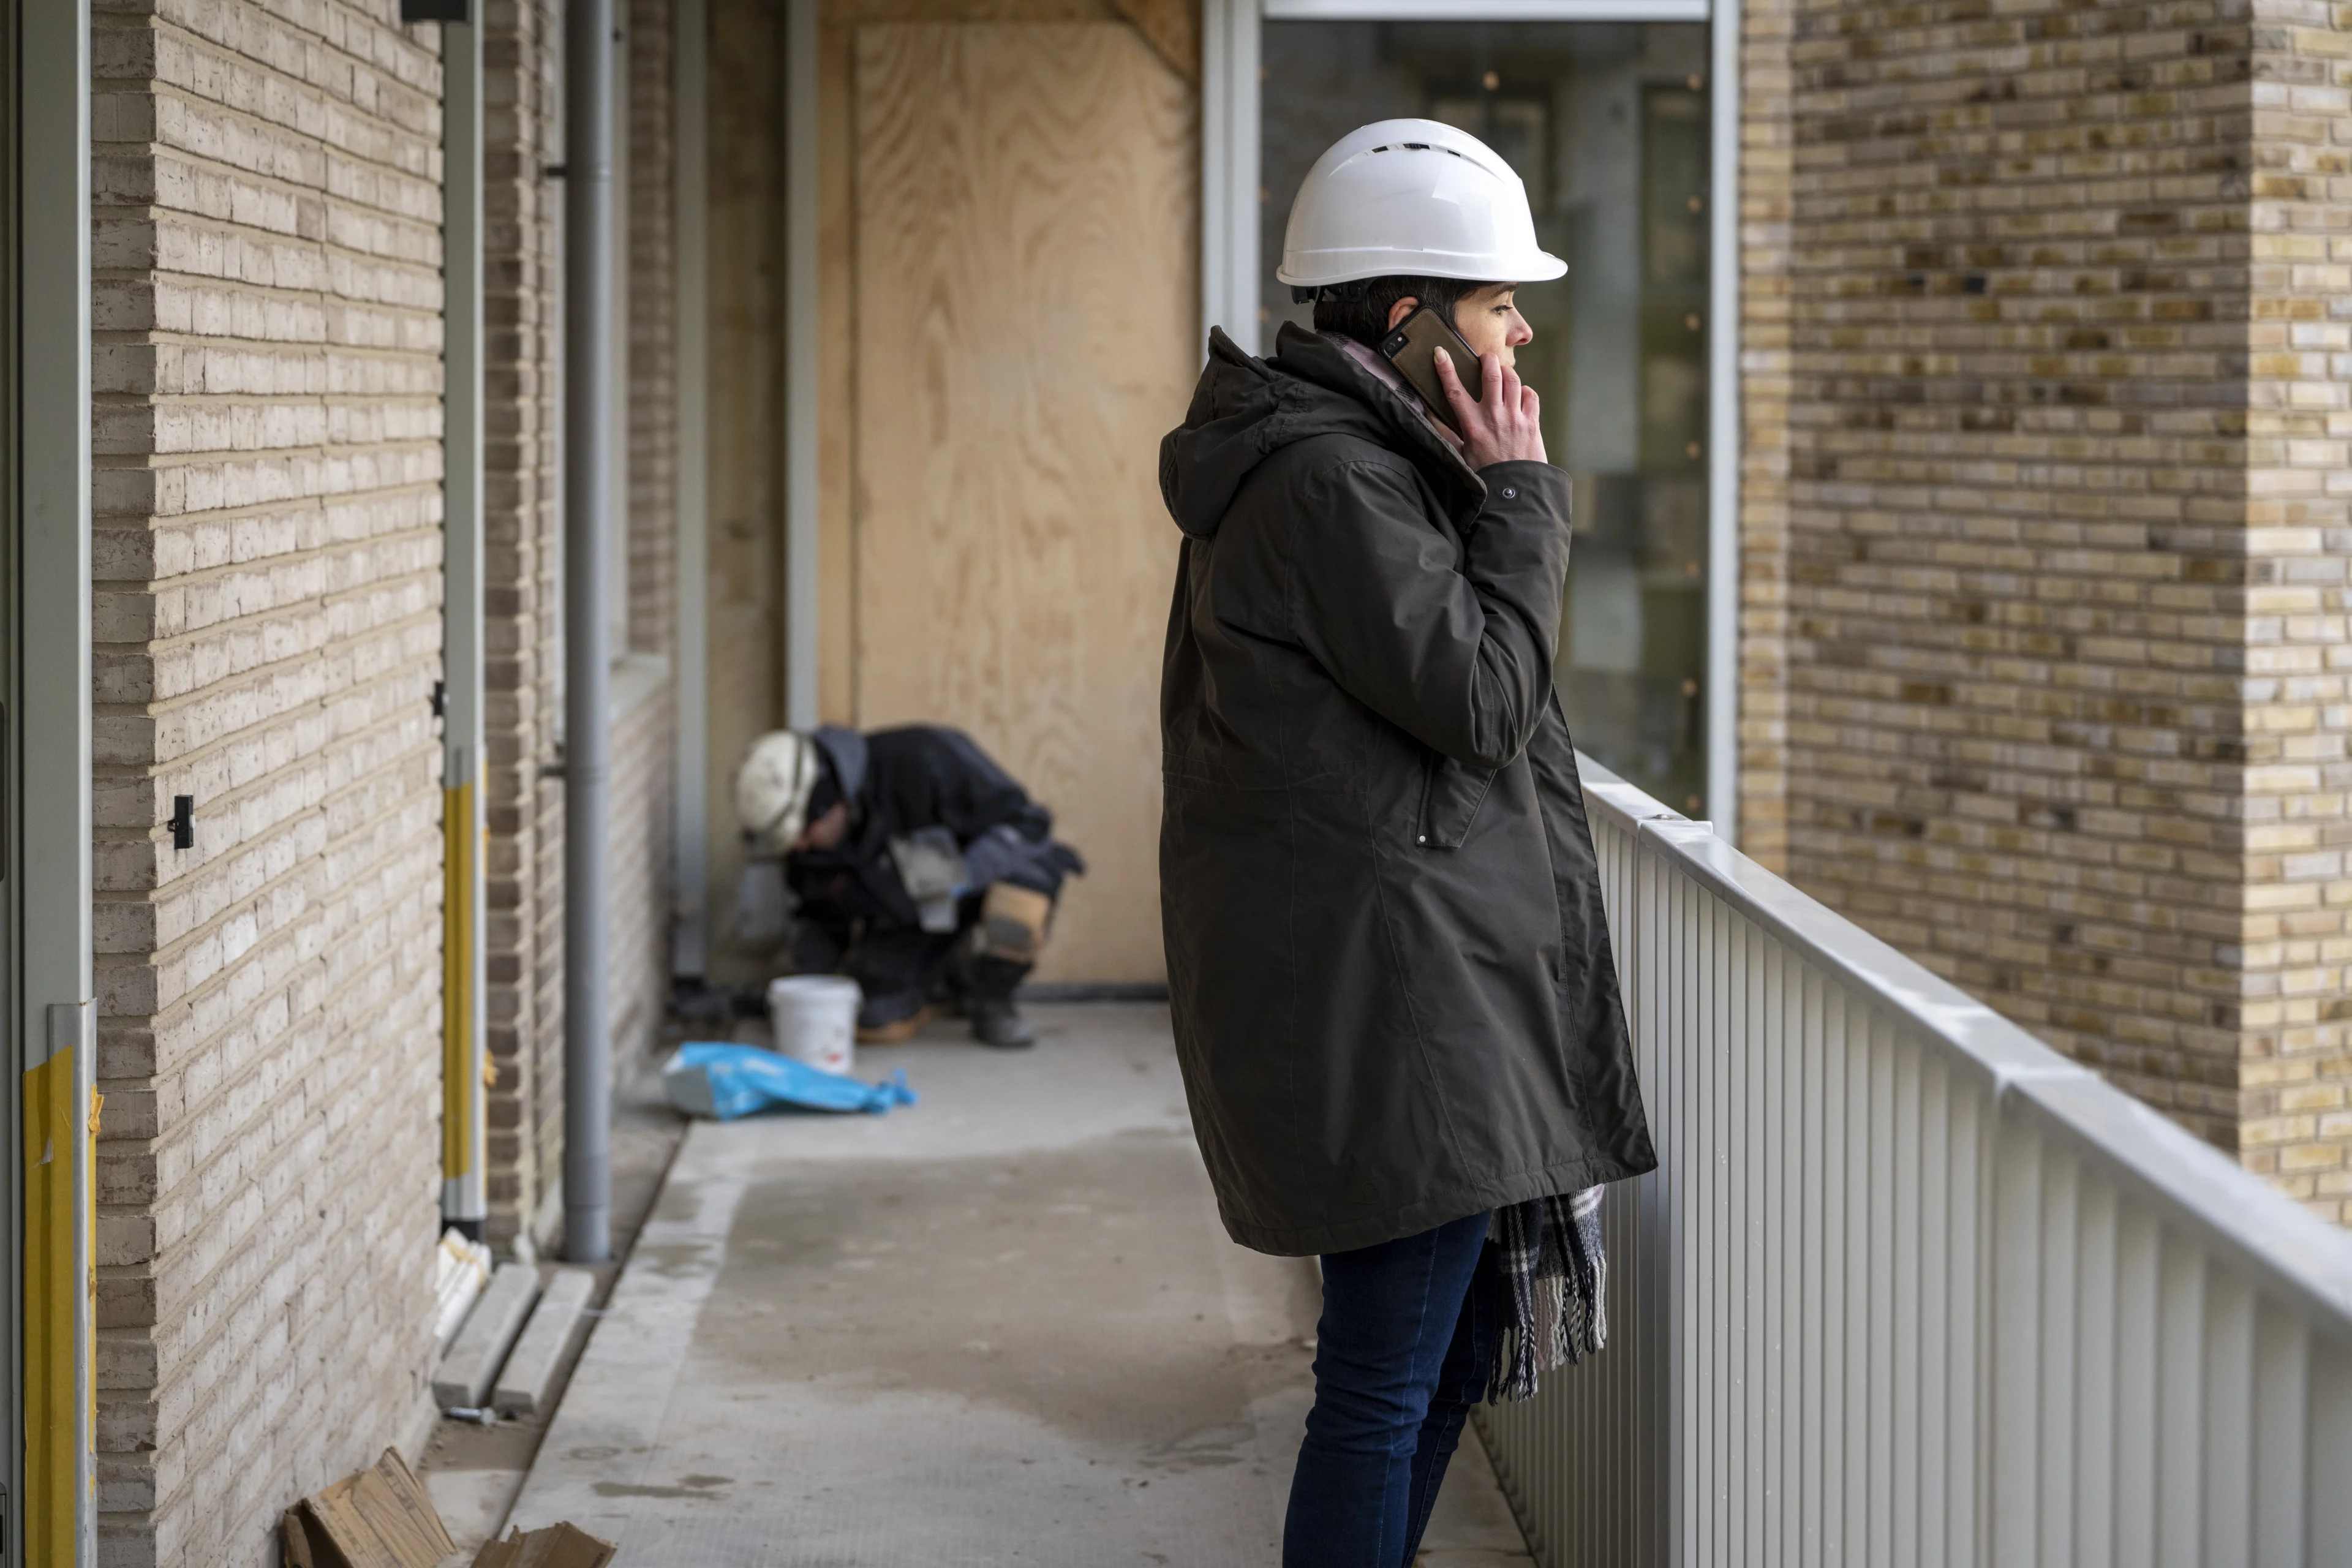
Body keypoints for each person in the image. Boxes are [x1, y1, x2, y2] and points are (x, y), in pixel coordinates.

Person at [1157, 119, 1657, 1566]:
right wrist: (1524, 492)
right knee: (1381, 1383)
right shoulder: (1334, 482)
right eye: (1496, 303)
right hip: (1394, 1005)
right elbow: (1486, 699)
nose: (1519, 333)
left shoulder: (1339, 462)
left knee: (1443, 1355)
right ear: (1404, 317)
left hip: (1400, 980)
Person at [734, 724, 1083, 1049]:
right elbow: (821, 918)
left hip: (981, 878)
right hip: (911, 913)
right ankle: (946, 972)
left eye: (803, 833)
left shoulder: (925, 759)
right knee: (876, 1020)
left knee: (1019, 907)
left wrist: (962, 877)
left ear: (831, 804)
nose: (799, 846)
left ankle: (993, 997)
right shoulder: (807, 850)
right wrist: (806, 989)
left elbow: (1027, 824)